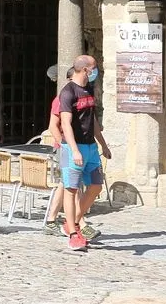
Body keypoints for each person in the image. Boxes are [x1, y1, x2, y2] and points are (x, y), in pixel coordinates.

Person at [59, 55, 112, 251]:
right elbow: (65, 123)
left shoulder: (88, 89)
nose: (96, 71)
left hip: (91, 147)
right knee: (71, 189)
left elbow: (93, 121)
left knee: (96, 186)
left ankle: (72, 222)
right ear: (85, 70)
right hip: (74, 147)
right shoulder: (67, 93)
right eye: (94, 68)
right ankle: (73, 233)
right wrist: (74, 150)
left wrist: (103, 145)